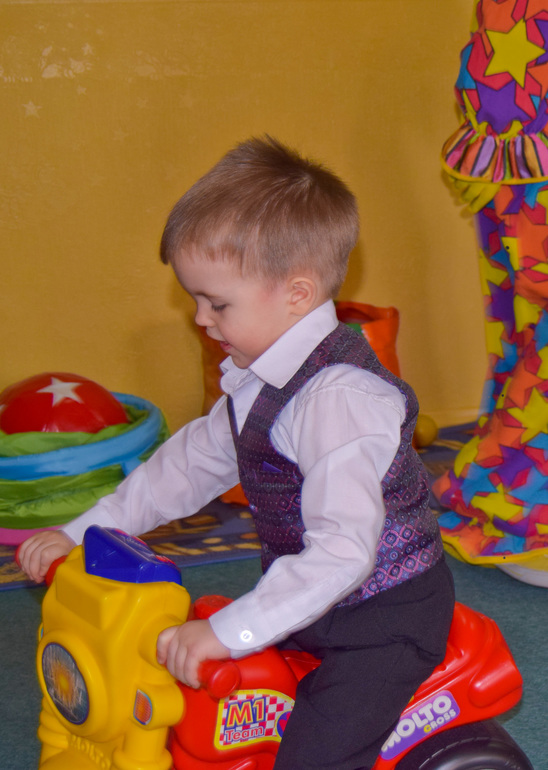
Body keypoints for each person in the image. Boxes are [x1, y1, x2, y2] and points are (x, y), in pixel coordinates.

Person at [19, 136, 455, 769]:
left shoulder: (339, 402)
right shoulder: (258, 375)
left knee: (314, 755)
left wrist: (230, 632)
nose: (200, 318)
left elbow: (343, 553)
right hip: (314, 598)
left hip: (382, 618)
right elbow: (185, 467)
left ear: (297, 294)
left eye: (217, 302)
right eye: (195, 298)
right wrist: (84, 532)